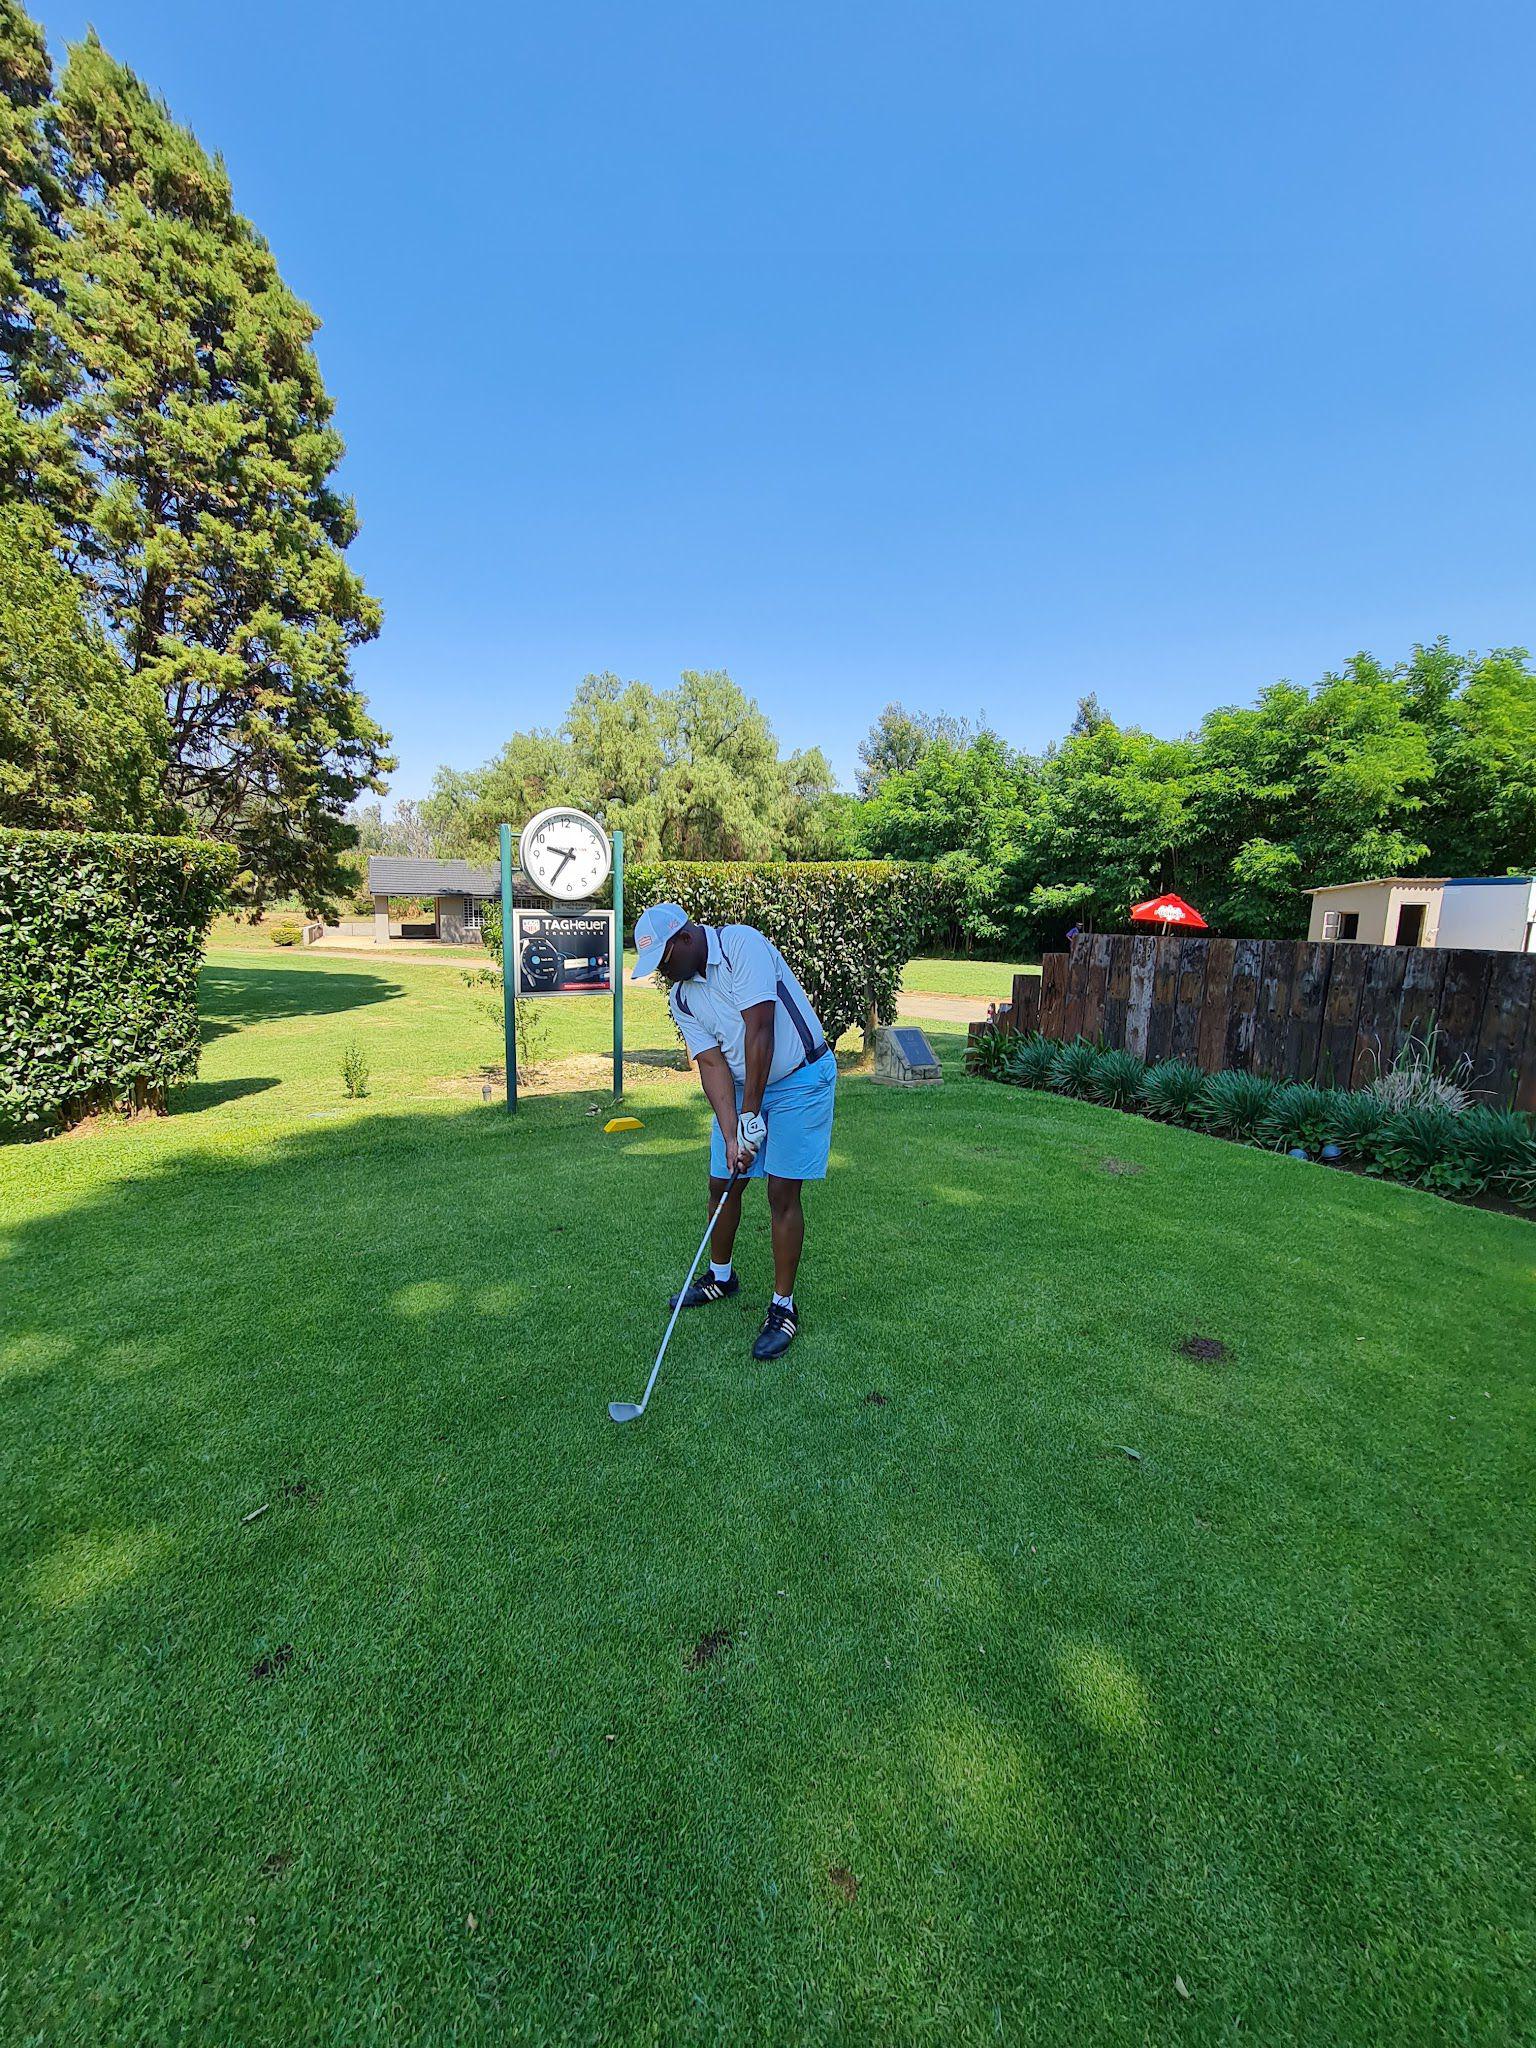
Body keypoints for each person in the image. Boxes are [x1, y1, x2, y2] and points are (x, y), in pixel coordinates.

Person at [631, 902, 836, 1360]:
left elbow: (759, 1031)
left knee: (782, 1191)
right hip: (744, 1086)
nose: (665, 974)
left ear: (685, 939)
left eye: (665, 962)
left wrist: (751, 1116)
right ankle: (721, 1277)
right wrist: (731, 1133)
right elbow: (710, 1062)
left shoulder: (742, 945)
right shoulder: (682, 997)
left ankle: (783, 1307)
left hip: (801, 1078)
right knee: (723, 1181)